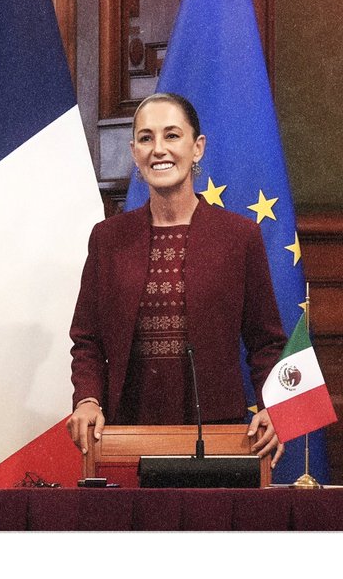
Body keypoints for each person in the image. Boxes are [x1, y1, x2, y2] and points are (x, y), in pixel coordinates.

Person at [67, 92, 287, 463]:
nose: (159, 149)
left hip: (218, 436)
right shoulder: (108, 238)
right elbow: (87, 340)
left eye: (172, 135)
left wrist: (275, 407)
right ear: (134, 151)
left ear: (197, 147)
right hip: (126, 434)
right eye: (146, 138)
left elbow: (266, 343)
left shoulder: (239, 236)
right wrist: (87, 399)